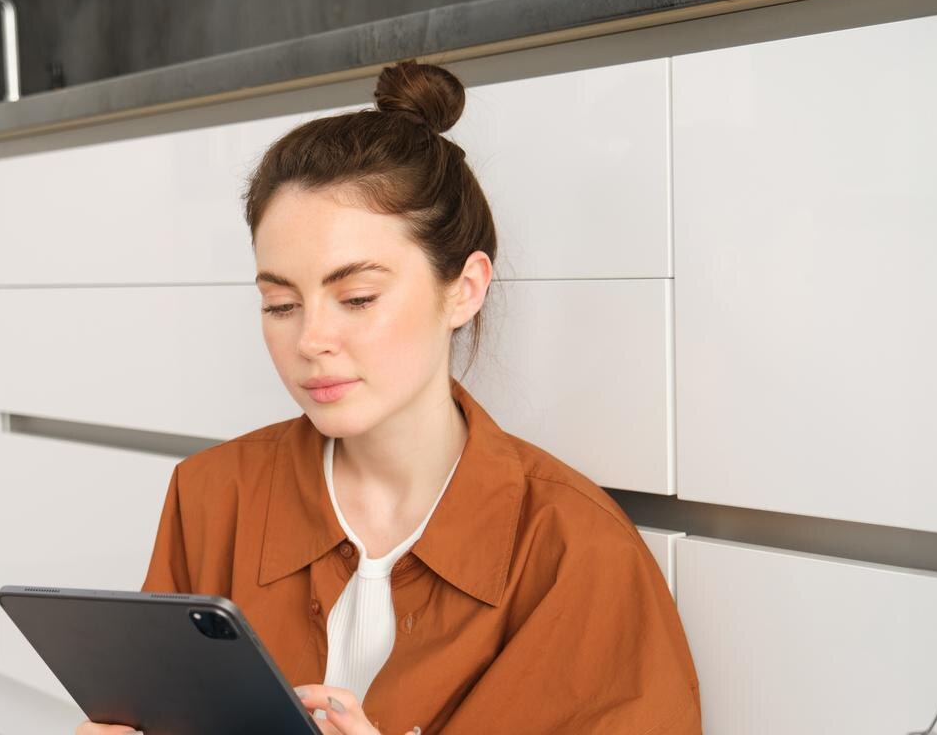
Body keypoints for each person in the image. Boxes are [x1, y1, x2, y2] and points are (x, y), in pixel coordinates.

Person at [77, 59, 701, 735]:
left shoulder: (577, 553)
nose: (312, 339)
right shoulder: (211, 498)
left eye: (357, 298)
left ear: (464, 288)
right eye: (281, 304)